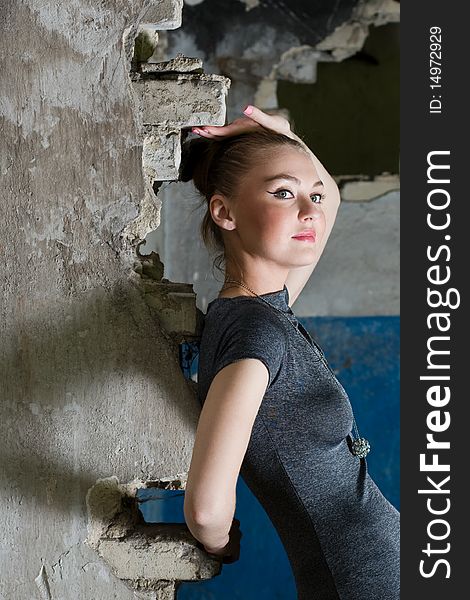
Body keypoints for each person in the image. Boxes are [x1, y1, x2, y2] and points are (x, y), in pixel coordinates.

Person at [181, 105, 400, 599]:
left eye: (312, 195)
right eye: (283, 193)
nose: (312, 211)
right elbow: (206, 508)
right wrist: (218, 541)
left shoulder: (264, 311)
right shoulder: (258, 338)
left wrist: (286, 137)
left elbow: (334, 198)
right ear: (225, 211)